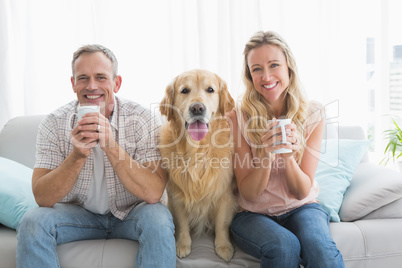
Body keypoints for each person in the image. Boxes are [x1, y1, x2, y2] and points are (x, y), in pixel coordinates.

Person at [16, 44, 176, 268]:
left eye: (101, 77)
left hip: (131, 213)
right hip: (78, 215)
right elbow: (42, 197)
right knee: (33, 221)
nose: (92, 86)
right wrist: (77, 156)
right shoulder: (53, 123)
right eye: (83, 78)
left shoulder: (142, 119)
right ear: (73, 84)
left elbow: (153, 193)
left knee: (158, 218)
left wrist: (111, 146)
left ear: (116, 83)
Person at [228, 31, 345, 267]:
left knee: (321, 249)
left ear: (289, 67)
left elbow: (302, 192)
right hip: (252, 214)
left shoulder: (313, 113)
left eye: (274, 65)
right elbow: (249, 193)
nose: (266, 76)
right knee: (284, 245)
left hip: (302, 208)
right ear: (249, 76)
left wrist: (288, 156)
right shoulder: (237, 117)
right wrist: (266, 154)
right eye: (257, 69)